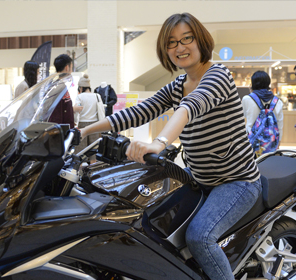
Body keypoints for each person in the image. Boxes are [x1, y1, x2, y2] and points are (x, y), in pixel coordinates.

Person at [80, 13, 261, 280]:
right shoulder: (178, 85)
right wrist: (81, 131)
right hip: (200, 179)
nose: (180, 47)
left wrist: (159, 142)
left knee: (199, 237)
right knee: (154, 223)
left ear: (200, 40)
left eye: (187, 38)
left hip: (237, 182)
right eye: (172, 42)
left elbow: (190, 107)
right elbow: (139, 111)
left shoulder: (218, 75)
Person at [242, 71, 283, 157]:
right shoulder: (277, 101)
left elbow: (245, 117)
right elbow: (280, 125)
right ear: (268, 83)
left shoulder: (247, 99)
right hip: (271, 143)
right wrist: (278, 143)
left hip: (251, 143)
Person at [74, 74, 103, 164]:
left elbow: (76, 110)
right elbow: (101, 111)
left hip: (82, 125)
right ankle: (93, 173)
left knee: (80, 152)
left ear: (81, 87)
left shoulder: (80, 97)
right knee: (93, 152)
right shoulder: (97, 96)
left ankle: (80, 173)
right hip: (95, 125)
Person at [48, 54, 80, 128]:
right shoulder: (59, 86)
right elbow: (57, 113)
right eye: (71, 68)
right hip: (59, 131)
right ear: (67, 67)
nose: (71, 71)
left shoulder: (56, 84)